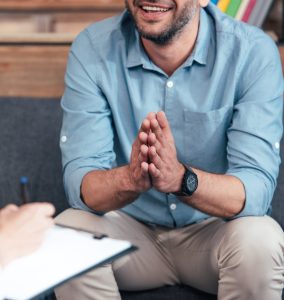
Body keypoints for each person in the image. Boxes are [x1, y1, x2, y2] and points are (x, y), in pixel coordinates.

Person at [55, 0, 284, 299]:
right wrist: (130, 179)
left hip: (214, 233)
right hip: (130, 234)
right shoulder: (93, 47)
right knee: (66, 232)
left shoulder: (252, 52)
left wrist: (181, 179)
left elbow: (255, 189)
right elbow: (80, 185)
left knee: (261, 239)